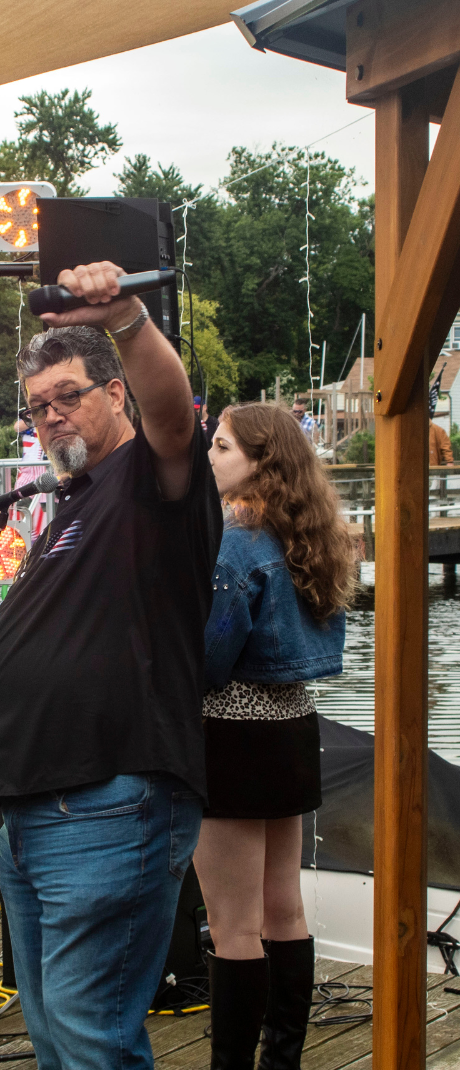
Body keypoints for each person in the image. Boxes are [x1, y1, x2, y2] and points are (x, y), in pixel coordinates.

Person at [0, 261, 223, 1070]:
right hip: (39, 812)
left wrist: (126, 316)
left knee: (89, 1032)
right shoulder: (77, 501)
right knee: (55, 1032)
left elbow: (171, 414)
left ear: (113, 393)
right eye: (38, 405)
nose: (51, 416)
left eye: (67, 396)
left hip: (107, 803)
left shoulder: (148, 480)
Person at [194, 403, 352, 1070]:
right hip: (291, 731)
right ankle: (281, 1061)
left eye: (222, 446)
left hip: (232, 735)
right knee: (283, 910)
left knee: (232, 925)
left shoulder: (239, 540)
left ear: (261, 462)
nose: (209, 456)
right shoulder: (310, 536)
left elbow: (208, 660)